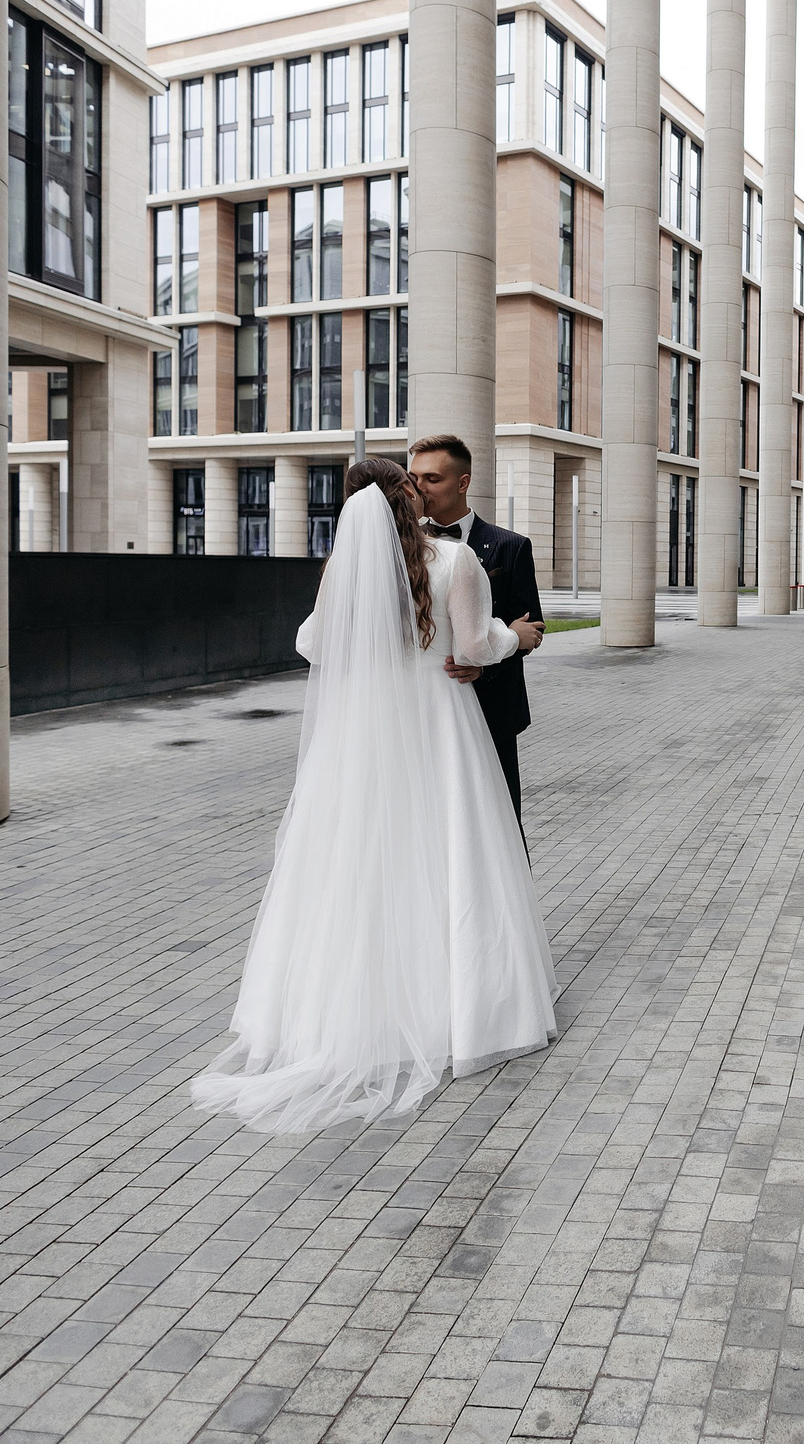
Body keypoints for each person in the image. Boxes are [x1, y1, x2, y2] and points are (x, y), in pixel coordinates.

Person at [190, 459, 558, 1133]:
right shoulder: (455, 562)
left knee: (356, 869)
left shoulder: (345, 575)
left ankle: (353, 1013)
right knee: (449, 862)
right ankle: (460, 1009)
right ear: (409, 497)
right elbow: (476, 642)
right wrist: (518, 636)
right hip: (442, 729)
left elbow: (312, 643)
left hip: (364, 734)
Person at [408, 435, 545, 820]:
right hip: (419, 709)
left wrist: (484, 662)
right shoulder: (400, 547)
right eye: (414, 478)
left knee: (496, 822)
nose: (419, 488)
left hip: (491, 709)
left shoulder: (510, 546)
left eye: (432, 479)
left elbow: (531, 628)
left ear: (463, 482)